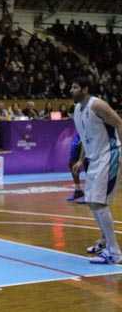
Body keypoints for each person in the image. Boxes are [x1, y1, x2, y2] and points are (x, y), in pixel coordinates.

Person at [71, 77, 122, 264]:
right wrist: (81, 159)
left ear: (85, 89)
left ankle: (114, 252)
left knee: (99, 203)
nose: (71, 90)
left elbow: (118, 123)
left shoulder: (97, 105)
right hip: (93, 159)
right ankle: (104, 242)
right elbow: (85, 137)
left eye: (75, 87)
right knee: (93, 203)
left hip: (110, 154)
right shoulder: (77, 110)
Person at [66, 134, 86, 204]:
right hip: (79, 134)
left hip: (90, 133)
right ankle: (78, 190)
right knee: (71, 162)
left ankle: (90, 193)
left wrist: (86, 136)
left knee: (88, 161)